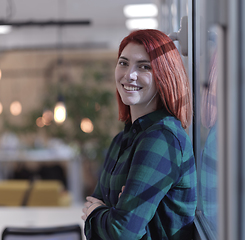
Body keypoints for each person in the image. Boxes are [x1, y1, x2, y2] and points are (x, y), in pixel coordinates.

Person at [81, 29, 197, 240]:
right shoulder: (121, 141)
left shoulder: (162, 138)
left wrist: (99, 213)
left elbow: (122, 231)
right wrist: (109, 212)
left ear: (164, 75)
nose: (129, 75)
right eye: (123, 63)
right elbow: (94, 203)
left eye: (144, 66)